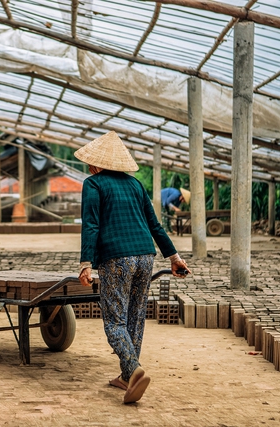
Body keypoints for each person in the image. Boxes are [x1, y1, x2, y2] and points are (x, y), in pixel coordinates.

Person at [75, 130, 191, 404]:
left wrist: (85, 264)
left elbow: (91, 224)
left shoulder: (93, 184)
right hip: (145, 256)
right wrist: (174, 258)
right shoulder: (136, 185)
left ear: (96, 163)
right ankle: (127, 377)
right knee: (136, 317)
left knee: (115, 320)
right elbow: (155, 225)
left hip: (116, 258)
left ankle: (133, 367)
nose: (88, 167)